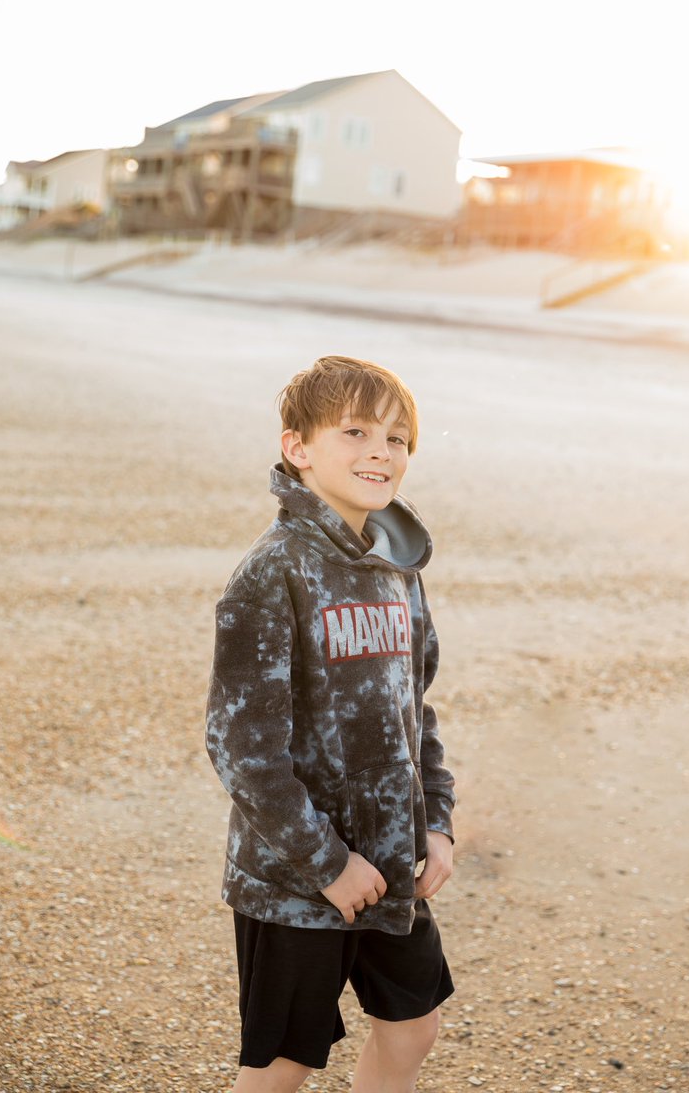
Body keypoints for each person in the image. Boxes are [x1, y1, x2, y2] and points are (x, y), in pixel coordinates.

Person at [205, 355, 456, 1093]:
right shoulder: (272, 572)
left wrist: (435, 821)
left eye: (397, 438)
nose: (380, 451)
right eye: (355, 432)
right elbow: (241, 748)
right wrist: (327, 864)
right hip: (294, 878)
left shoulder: (397, 568)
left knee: (414, 1026)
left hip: (390, 863)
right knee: (283, 1064)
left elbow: (420, 706)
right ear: (298, 447)